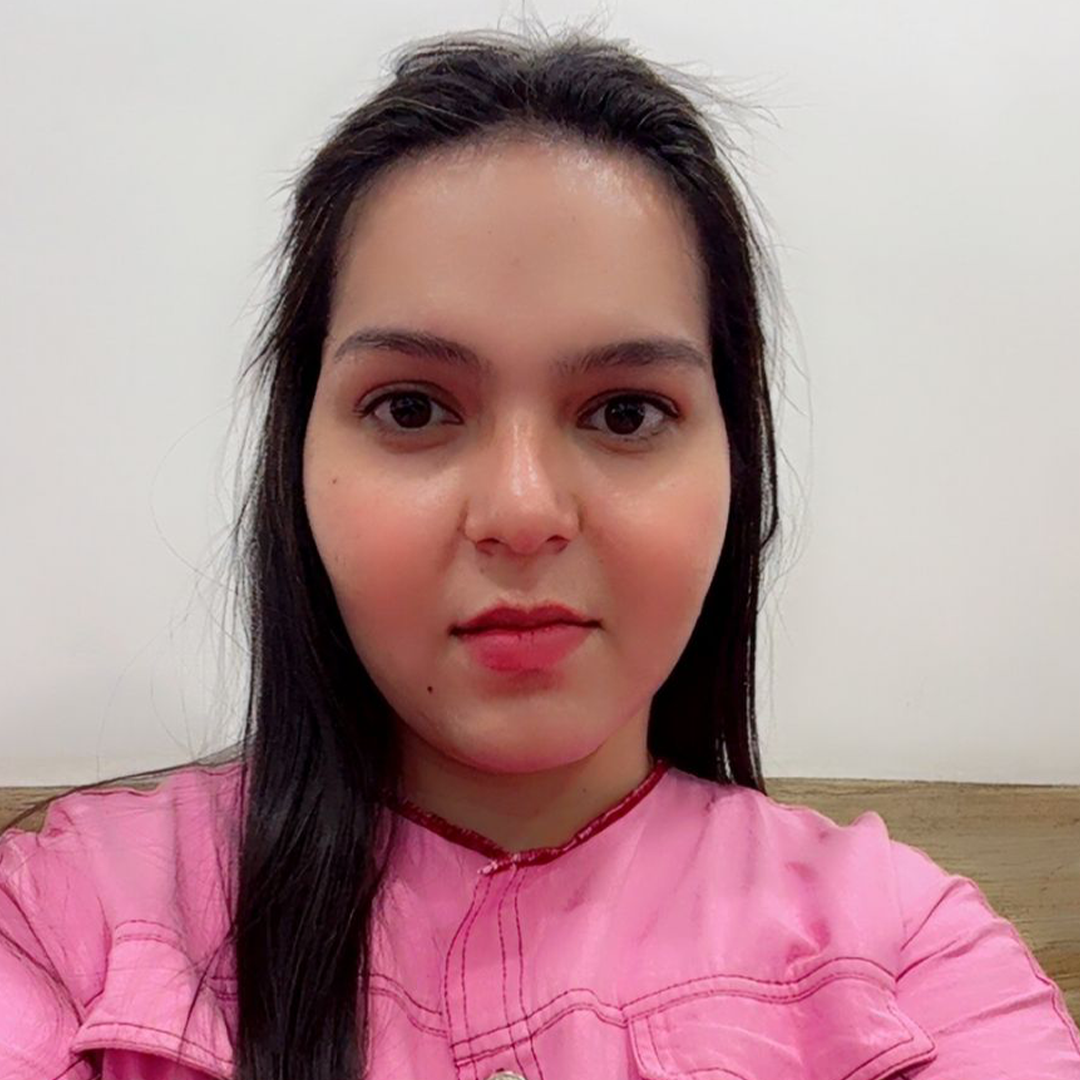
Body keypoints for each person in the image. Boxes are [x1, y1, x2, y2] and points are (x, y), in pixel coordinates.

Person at [1, 24, 1078, 1080]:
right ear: (298, 461)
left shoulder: (911, 964)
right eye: (413, 407)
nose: (522, 512)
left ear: (737, 461)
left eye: (625, 413)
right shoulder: (65, 923)